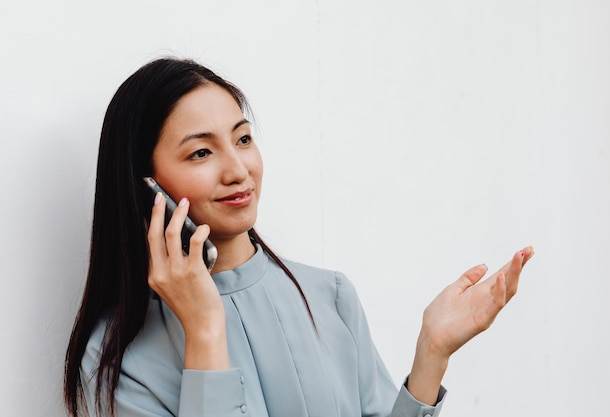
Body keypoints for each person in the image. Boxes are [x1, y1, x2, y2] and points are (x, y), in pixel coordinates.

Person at [63, 57, 534, 417]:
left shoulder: (329, 296)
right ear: (147, 186)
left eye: (243, 139)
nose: (238, 169)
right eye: (202, 152)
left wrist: (431, 354)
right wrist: (205, 330)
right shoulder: (113, 360)